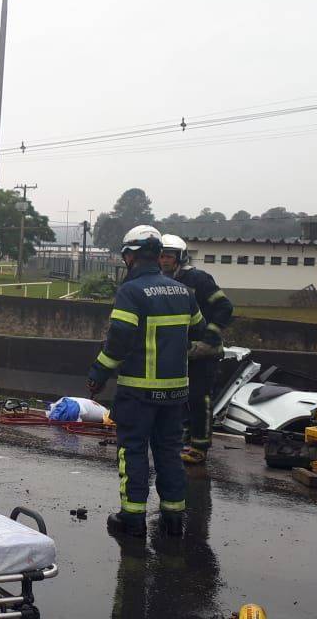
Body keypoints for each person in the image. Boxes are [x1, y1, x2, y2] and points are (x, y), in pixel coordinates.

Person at [86, 225, 205, 538]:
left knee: (133, 451)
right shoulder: (183, 291)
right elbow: (199, 328)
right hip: (175, 393)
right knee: (169, 452)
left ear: (130, 256)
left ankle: (133, 518)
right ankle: (173, 518)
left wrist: (98, 373)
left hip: (139, 391)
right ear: (158, 254)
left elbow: (118, 340)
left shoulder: (131, 291)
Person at [160, 234, 234, 466]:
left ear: (180, 257)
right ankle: (185, 437)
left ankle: (200, 446)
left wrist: (209, 336)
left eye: (169, 256)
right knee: (181, 398)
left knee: (199, 397)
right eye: (161, 256)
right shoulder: (162, 281)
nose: (164, 260)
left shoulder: (198, 279)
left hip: (204, 351)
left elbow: (224, 307)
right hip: (181, 351)